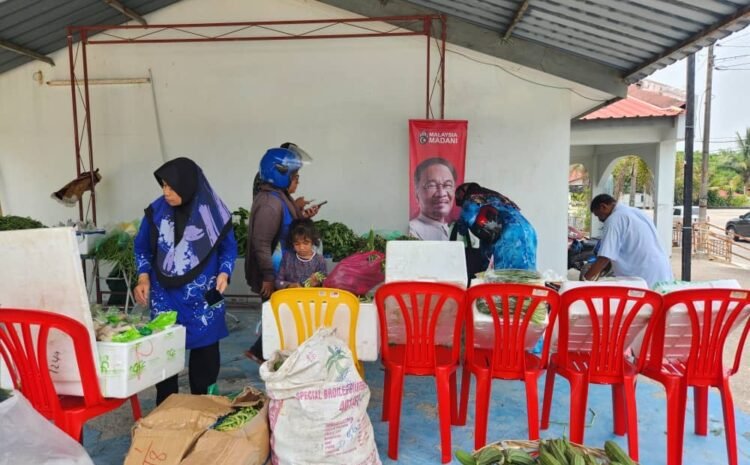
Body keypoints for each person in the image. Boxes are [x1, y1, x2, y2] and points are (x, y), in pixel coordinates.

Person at [133, 157, 237, 405]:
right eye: (163, 186)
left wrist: (224, 272)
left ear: (188, 185)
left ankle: (203, 406)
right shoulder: (156, 212)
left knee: (206, 354)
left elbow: (229, 249)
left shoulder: (214, 213)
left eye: (172, 187)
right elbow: (142, 249)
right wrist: (143, 276)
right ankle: (167, 408)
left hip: (204, 296)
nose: (166, 192)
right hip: (165, 296)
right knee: (165, 356)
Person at [244, 145, 319, 363]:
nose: (298, 181)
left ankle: (266, 355)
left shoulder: (280, 197)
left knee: (282, 318)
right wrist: (268, 276)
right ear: (280, 174)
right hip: (275, 274)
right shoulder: (270, 203)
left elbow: (289, 228)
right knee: (278, 318)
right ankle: (264, 356)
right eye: (295, 177)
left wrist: (303, 215)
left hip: (283, 272)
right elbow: (261, 243)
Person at [583, 194, 673, 287]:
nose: (600, 219)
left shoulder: (614, 219)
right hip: (661, 268)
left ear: (603, 206)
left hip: (644, 275)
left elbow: (604, 258)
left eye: (598, 215)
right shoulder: (635, 212)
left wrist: (584, 281)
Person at [455, 182, 537, 271]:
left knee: (504, 277)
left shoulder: (471, 199)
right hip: (529, 232)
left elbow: (464, 224)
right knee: (526, 276)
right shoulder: (497, 197)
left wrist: (459, 224)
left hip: (508, 236)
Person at [409, 157, 457, 240]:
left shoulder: (456, 230)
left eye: (448, 185)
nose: (442, 193)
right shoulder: (411, 231)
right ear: (417, 194)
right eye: (431, 185)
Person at [275, 219, 327, 289]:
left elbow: (325, 279)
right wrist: (290, 285)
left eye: (306, 243)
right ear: (292, 243)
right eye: (297, 244)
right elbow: (278, 282)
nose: (301, 247)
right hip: (291, 296)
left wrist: (318, 281)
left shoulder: (319, 260)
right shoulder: (287, 257)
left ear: (312, 242)